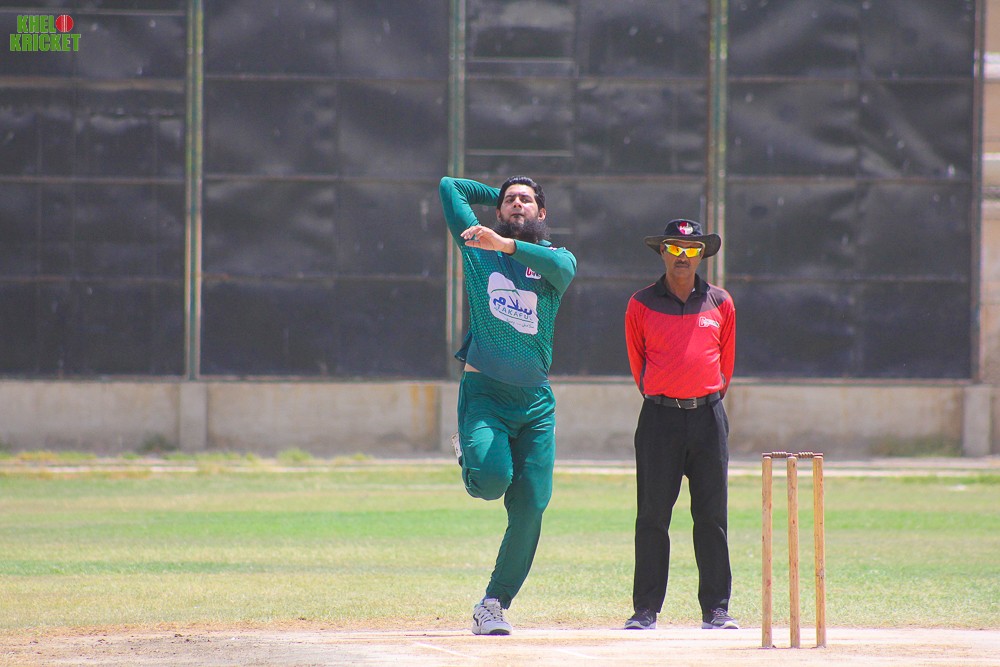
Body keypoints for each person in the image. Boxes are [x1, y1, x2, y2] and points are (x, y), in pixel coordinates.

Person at [438, 175, 577, 636]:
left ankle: (494, 603)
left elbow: (564, 267)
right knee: (491, 482)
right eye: (509, 200)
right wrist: (494, 202)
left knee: (532, 506)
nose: (518, 204)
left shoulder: (555, 259)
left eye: (527, 200)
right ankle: (471, 455)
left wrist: (508, 245)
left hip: (535, 403)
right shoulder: (478, 247)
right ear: (498, 211)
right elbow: (449, 187)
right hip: (486, 395)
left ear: (542, 213)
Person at [623, 218, 738, 631]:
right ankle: (645, 610)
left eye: (691, 250)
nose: (683, 257)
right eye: (674, 248)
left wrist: (703, 395)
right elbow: (637, 362)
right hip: (659, 418)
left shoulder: (720, 302)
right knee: (652, 515)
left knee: (711, 516)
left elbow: (726, 365)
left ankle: (716, 609)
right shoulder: (641, 303)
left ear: (702, 254)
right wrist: (665, 393)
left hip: (708, 417)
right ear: (663, 252)